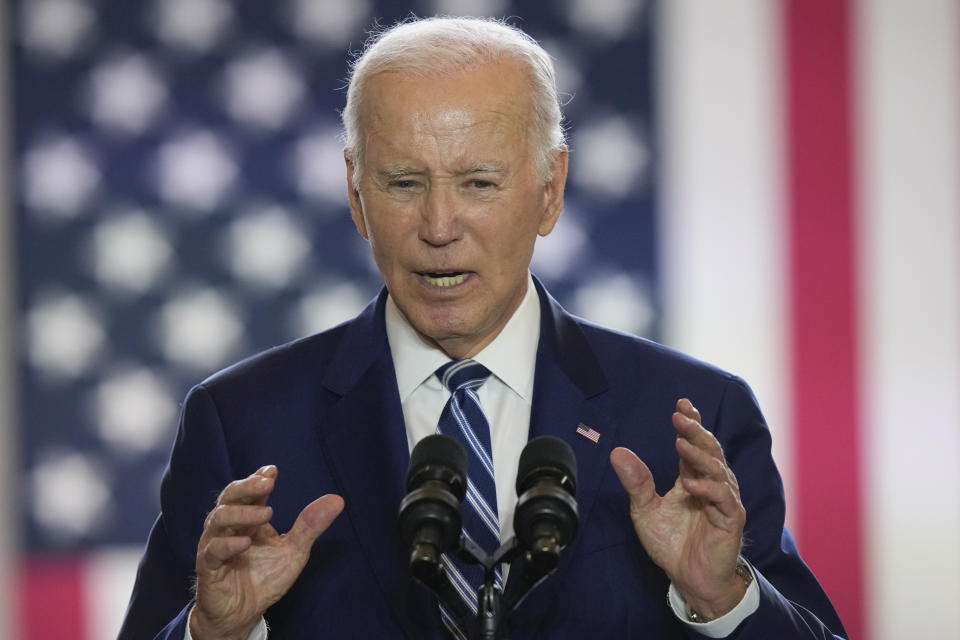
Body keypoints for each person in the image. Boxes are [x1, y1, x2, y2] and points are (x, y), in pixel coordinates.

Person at [119, 16, 847, 640]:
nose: (440, 228)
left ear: (550, 190)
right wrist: (213, 631)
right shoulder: (242, 422)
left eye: (478, 183)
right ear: (355, 193)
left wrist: (723, 600)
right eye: (404, 183)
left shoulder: (689, 416)